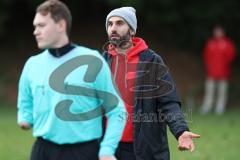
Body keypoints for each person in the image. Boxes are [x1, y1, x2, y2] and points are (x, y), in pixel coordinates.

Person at [17, 1, 126, 160]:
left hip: (83, 152)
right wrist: (25, 117)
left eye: (41, 25)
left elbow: (117, 110)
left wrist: (107, 150)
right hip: (42, 150)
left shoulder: (92, 60)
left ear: (61, 25)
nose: (35, 31)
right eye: (35, 26)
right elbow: (25, 99)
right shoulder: (32, 64)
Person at [102, 6, 200, 160]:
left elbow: (168, 103)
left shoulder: (151, 61)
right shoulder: (101, 62)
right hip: (108, 148)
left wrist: (181, 130)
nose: (113, 28)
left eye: (119, 23)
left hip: (143, 149)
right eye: (110, 24)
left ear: (132, 30)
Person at [201, 25, 236, 115]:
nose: (217, 34)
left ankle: (219, 108)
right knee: (209, 91)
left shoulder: (227, 44)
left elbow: (231, 56)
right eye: (216, 32)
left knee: (222, 92)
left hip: (223, 73)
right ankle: (207, 107)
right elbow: (206, 56)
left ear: (223, 33)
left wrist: (224, 67)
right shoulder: (210, 43)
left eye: (219, 32)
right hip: (211, 73)